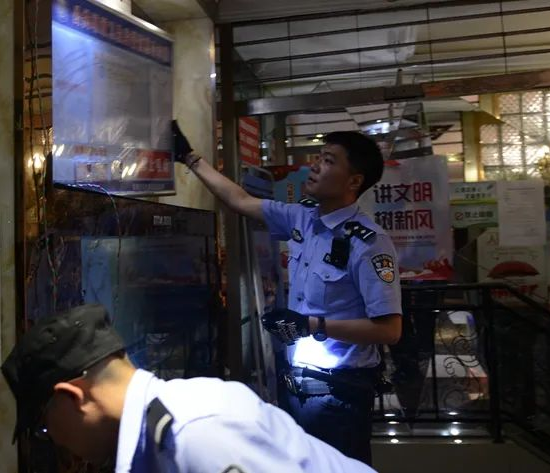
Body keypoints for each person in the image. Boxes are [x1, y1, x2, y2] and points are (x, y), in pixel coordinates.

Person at [172, 121, 402, 464]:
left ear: (354, 181)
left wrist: (312, 326)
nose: (315, 166)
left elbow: (389, 330)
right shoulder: (301, 218)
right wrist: (189, 157)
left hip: (340, 396)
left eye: (328, 161)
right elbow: (240, 200)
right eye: (318, 157)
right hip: (295, 388)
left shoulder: (368, 243)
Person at [1, 304, 376, 473]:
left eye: (44, 427)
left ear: (73, 397)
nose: (56, 441)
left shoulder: (193, 435)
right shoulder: (164, 426)